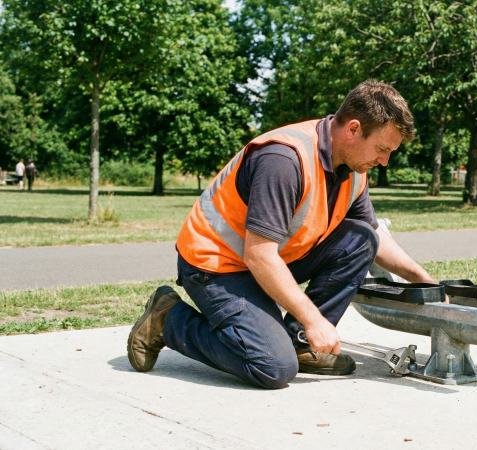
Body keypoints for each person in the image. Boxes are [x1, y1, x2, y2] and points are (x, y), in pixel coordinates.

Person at [127, 80, 437, 389]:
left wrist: (424, 280)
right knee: (272, 366)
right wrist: (315, 320)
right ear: (353, 129)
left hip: (266, 261)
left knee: (360, 240)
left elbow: (372, 235)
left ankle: (300, 343)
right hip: (216, 267)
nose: (384, 161)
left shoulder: (354, 169)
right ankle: (168, 320)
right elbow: (259, 254)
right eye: (382, 149)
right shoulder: (284, 160)